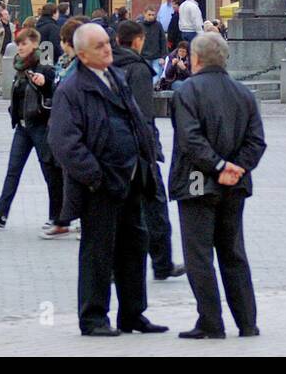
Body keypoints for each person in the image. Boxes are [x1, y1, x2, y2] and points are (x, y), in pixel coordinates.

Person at [49, 23, 168, 337]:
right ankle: (93, 317)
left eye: (107, 43)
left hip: (131, 177)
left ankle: (133, 314)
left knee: (134, 246)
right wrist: (94, 176)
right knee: (98, 252)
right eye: (100, 46)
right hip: (99, 185)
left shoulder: (116, 76)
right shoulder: (72, 89)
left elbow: (135, 118)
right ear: (84, 54)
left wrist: (147, 155)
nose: (108, 49)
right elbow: (64, 142)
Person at [169, 33, 266, 339]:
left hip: (198, 184)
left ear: (195, 59)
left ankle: (211, 321)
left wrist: (219, 166)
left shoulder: (187, 91)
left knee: (199, 256)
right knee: (233, 252)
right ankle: (247, 322)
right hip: (235, 186)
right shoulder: (243, 93)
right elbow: (256, 141)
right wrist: (236, 168)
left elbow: (190, 139)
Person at [0, 28, 68, 236]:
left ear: (35, 44)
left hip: (39, 125)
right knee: (13, 170)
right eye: (18, 44)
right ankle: (0, 214)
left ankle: (58, 216)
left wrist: (44, 84)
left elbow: (52, 91)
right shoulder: (20, 67)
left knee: (50, 173)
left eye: (24, 43)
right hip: (22, 126)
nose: (20, 47)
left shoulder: (44, 68)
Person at [114, 20, 184, 280]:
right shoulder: (138, 70)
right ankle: (162, 263)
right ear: (138, 41)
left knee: (120, 211)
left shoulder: (109, 66)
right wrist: (150, 150)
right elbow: (143, 115)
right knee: (155, 209)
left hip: (115, 149)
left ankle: (114, 267)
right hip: (140, 150)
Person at [139, 7, 167, 79]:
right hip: (144, 57)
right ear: (144, 14)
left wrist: (163, 57)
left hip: (157, 57)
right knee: (145, 77)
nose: (151, 17)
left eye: (153, 15)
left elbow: (163, 41)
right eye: (149, 14)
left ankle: (153, 89)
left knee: (156, 77)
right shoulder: (139, 26)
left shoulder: (158, 25)